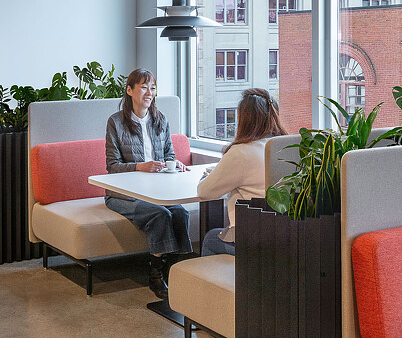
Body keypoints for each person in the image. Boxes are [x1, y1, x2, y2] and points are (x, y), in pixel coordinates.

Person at [104, 68, 190, 300]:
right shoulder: (116, 122)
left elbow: (169, 154)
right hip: (123, 194)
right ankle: (155, 273)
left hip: (156, 190)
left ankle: (178, 271)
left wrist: (175, 163)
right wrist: (139, 166)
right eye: (144, 87)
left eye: (152, 88)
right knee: (160, 215)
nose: (149, 92)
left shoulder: (160, 119)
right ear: (129, 90)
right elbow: (112, 166)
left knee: (181, 214)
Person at [196, 88, 287, 256]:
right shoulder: (285, 147)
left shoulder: (242, 152)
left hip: (254, 239)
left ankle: (221, 282)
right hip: (287, 234)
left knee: (210, 239)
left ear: (243, 119)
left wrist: (205, 177)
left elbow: (204, 192)